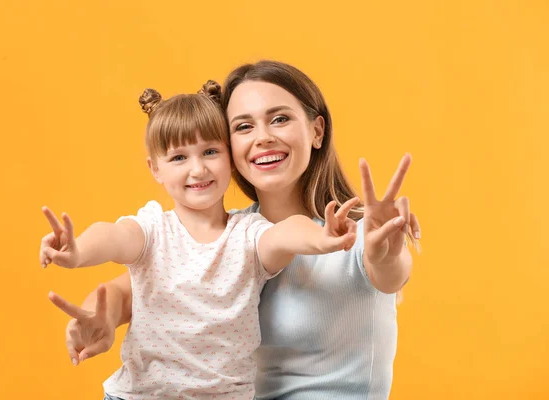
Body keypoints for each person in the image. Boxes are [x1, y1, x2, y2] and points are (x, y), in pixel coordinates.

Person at [48, 61, 421, 399]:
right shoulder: (227, 236)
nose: (262, 137)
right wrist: (101, 316)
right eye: (243, 126)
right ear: (231, 147)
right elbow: (127, 292)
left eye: (279, 119)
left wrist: (384, 251)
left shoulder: (355, 235)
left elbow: (389, 272)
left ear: (316, 131)